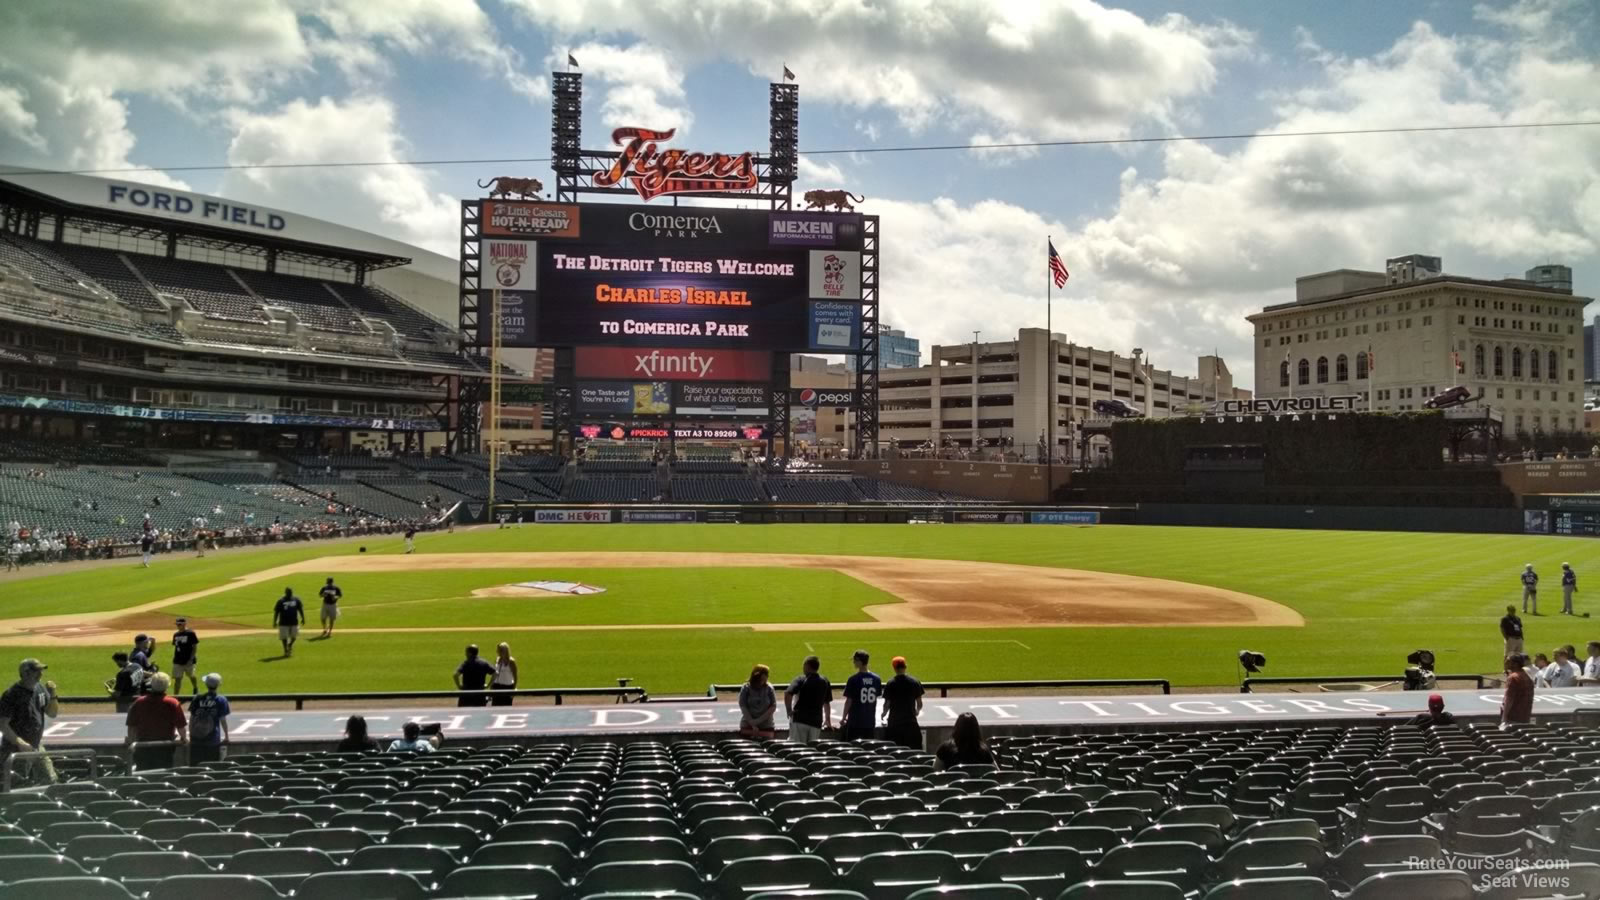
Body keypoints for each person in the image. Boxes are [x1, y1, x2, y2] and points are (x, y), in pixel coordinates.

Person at [1, 659, 59, 789]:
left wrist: (53, 695)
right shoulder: (11, 695)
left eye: (41, 671)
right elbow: (3, 724)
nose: (40, 674)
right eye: (36, 671)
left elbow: (52, 713)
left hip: (36, 745)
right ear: (25, 673)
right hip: (16, 748)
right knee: (17, 784)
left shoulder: (40, 689)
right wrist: (20, 743)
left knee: (50, 780)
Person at [125, 672, 187, 771]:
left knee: (144, 773)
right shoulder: (172, 703)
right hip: (164, 747)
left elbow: (131, 726)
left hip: (143, 747)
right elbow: (181, 726)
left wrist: (132, 741)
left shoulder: (139, 702)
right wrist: (184, 738)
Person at [784, 656, 832, 744]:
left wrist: (789, 711)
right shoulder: (825, 681)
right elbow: (826, 702)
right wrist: (827, 719)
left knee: (798, 749)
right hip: (816, 722)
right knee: (812, 750)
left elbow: (788, 693)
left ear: (807, 666)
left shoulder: (801, 679)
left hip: (800, 720)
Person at [881, 656, 925, 749]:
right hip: (911, 724)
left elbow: (887, 704)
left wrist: (884, 714)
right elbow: (919, 703)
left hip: (894, 724)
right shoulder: (915, 682)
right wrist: (917, 711)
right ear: (905, 666)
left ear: (894, 668)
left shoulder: (891, 683)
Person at [187, 673, 230, 765]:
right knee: (212, 766)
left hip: (196, 741)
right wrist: (226, 736)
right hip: (212, 741)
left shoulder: (197, 698)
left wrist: (191, 735)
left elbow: (192, 719)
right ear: (218, 685)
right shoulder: (221, 700)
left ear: (206, 684)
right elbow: (223, 720)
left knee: (195, 767)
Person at [839, 650, 882, 741]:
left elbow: (849, 701)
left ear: (859, 661)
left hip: (855, 721)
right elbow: (876, 697)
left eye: (855, 660)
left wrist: (843, 718)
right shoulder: (876, 679)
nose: (853, 662)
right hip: (870, 721)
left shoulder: (853, 679)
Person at [738, 664, 777, 739]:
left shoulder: (769, 688)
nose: (768, 676)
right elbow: (743, 706)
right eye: (766, 674)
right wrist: (751, 723)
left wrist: (757, 721)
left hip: (766, 725)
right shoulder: (746, 688)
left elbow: (773, 706)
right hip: (748, 725)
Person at [1502, 654, 1535, 727]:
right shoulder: (1526, 676)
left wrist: (1504, 718)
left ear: (1515, 664)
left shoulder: (1513, 678)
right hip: (1525, 717)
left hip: (1513, 718)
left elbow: (1509, 699)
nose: (1505, 663)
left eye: (1508, 661)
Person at [272, 587, 305, 657]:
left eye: (291, 592)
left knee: (294, 636)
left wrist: (303, 618)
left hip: (294, 622)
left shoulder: (296, 600)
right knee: (284, 638)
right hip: (283, 622)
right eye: (288, 592)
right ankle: (286, 650)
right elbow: (276, 612)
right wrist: (274, 621)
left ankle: (290, 644)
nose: (290, 594)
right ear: (285, 593)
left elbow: (300, 609)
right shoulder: (281, 601)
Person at [171, 618, 199, 696]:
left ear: (184, 624)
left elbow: (194, 647)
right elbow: (176, 647)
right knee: (177, 679)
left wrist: (191, 658)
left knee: (191, 676)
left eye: (179, 624)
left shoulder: (190, 633)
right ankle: (176, 696)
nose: (178, 626)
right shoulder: (176, 634)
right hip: (177, 660)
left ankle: (195, 687)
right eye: (177, 624)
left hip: (188, 660)